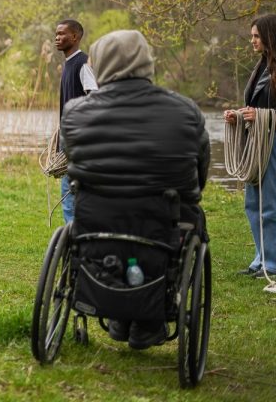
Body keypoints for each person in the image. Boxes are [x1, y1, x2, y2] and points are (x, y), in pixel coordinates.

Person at [61, 29, 209, 349]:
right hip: (163, 221)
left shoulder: (76, 112)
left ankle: (118, 312)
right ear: (146, 61)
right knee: (188, 219)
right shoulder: (185, 111)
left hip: (95, 220)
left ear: (99, 64)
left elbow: (72, 160)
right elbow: (199, 174)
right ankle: (147, 319)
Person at [224, 13, 276, 278]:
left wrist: (264, 117)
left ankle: (273, 262)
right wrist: (238, 115)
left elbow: (265, 110)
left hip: (272, 142)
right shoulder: (261, 66)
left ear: (269, 36)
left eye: (256, 36)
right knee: (252, 203)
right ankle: (260, 258)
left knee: (270, 203)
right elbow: (256, 106)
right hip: (257, 140)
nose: (252, 41)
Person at [55, 19, 98, 224]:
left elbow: (94, 99)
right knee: (69, 189)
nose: (57, 38)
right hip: (68, 135)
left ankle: (73, 237)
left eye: (62, 34)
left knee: (69, 190)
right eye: (56, 34)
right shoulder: (68, 63)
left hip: (78, 137)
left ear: (75, 37)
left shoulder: (82, 64)